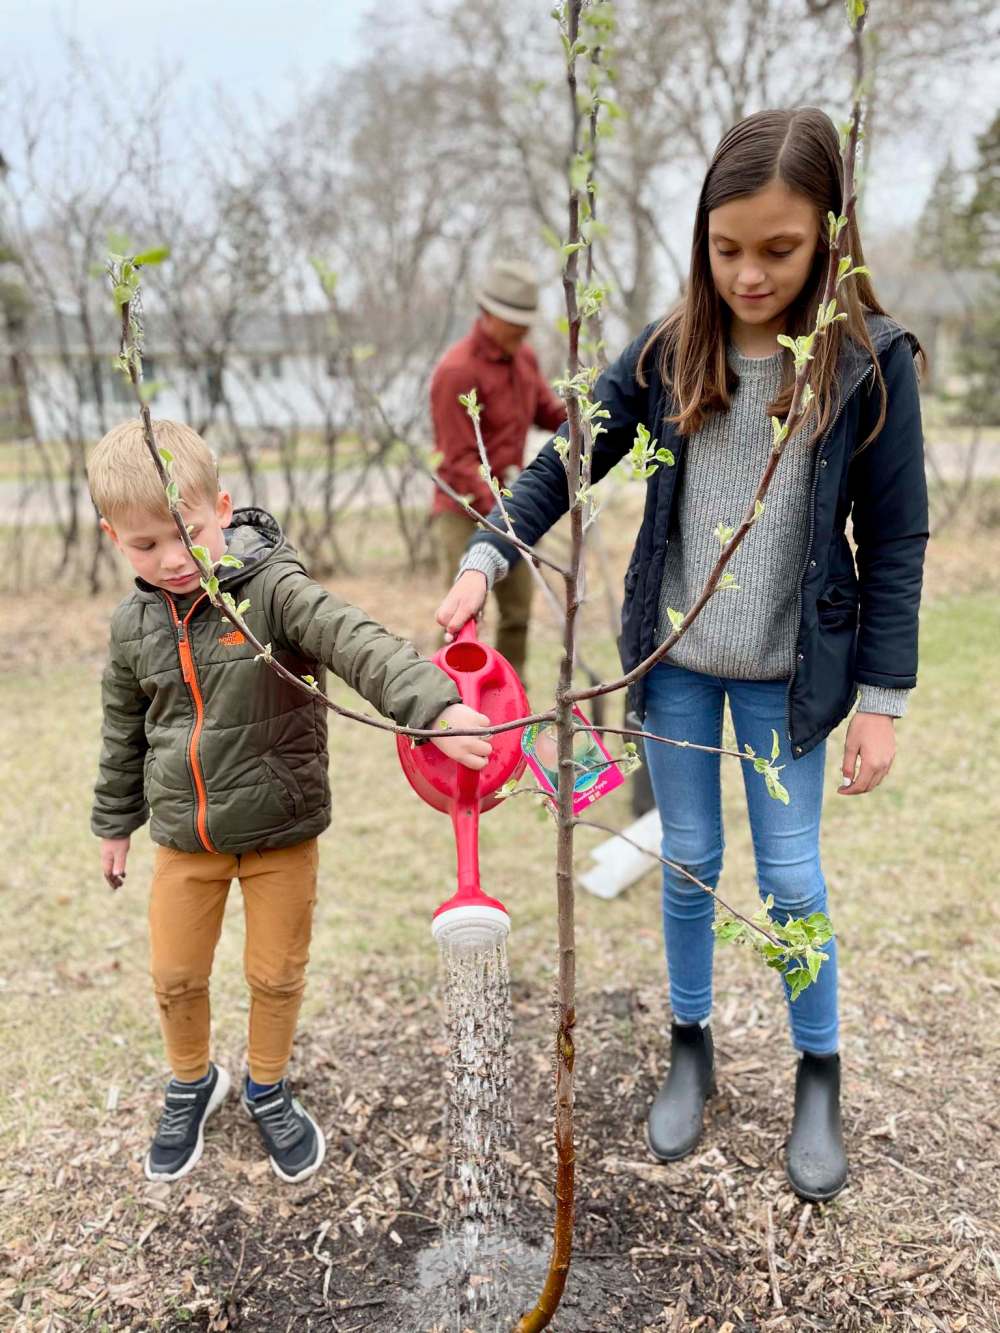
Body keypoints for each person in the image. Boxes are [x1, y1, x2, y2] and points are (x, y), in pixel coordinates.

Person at [435, 108, 928, 1202]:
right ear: (700, 238)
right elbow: (565, 461)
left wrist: (883, 696)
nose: (749, 274)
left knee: (793, 879)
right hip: (674, 665)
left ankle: (817, 1070)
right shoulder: (667, 355)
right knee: (689, 861)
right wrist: (485, 554)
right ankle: (690, 1044)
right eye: (726, 248)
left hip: (788, 675)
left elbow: (895, 540)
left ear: (830, 239)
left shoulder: (866, 367)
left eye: (779, 249)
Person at [89, 419, 492, 1185]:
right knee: (174, 974)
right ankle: (192, 1080)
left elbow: (354, 639)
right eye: (145, 546)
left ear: (222, 507)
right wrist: (115, 822)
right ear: (114, 537)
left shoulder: (271, 591)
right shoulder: (133, 625)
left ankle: (268, 1085)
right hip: (185, 838)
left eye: (189, 532)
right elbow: (123, 731)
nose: (173, 558)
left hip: (280, 832)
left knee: (275, 974)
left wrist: (430, 707)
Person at [430, 258, 567, 677]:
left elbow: (547, 411)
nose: (524, 331)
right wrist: (510, 512)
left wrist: (587, 412)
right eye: (516, 323)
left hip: (510, 507)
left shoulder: (523, 359)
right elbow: (458, 462)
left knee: (517, 614)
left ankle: (510, 699)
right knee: (461, 618)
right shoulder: (456, 372)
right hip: (464, 512)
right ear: (490, 316)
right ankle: (444, 699)